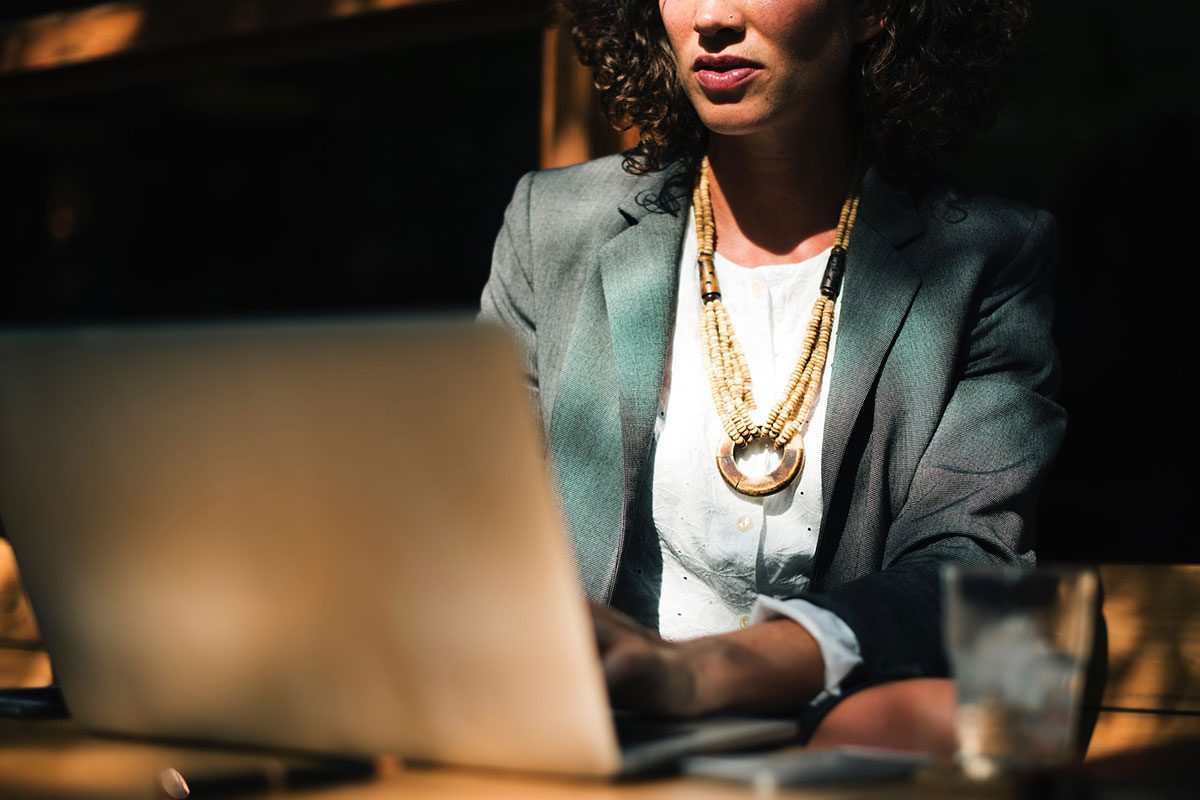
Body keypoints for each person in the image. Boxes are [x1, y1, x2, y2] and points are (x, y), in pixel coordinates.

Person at [481, 0, 1062, 754]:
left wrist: (706, 671)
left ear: (873, 13)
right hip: (586, 741)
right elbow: (482, 519)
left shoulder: (987, 258)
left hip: (845, 744)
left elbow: (970, 567)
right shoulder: (552, 226)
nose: (712, 16)